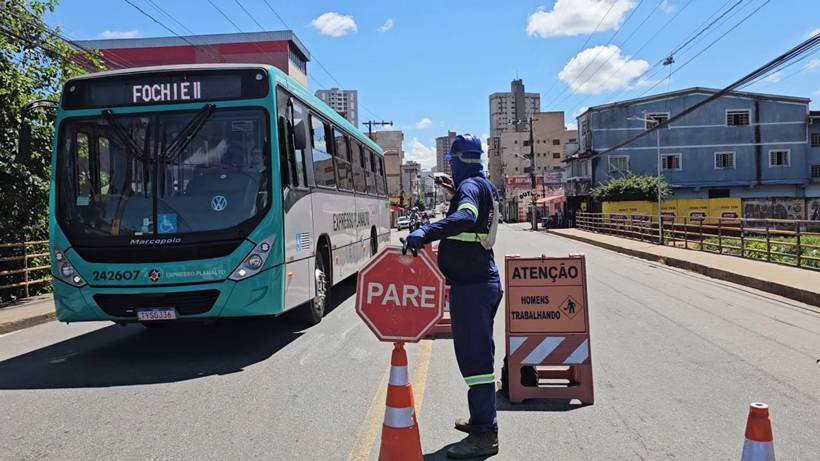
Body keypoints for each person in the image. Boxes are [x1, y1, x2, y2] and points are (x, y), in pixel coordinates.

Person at [403, 134, 502, 459]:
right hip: (479, 282)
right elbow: (474, 210)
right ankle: (480, 421)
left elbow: (466, 217)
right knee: (479, 357)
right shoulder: (482, 184)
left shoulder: (470, 188)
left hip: (473, 287)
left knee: (477, 363)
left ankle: (484, 435)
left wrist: (425, 232)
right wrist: (454, 189)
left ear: (458, 161)